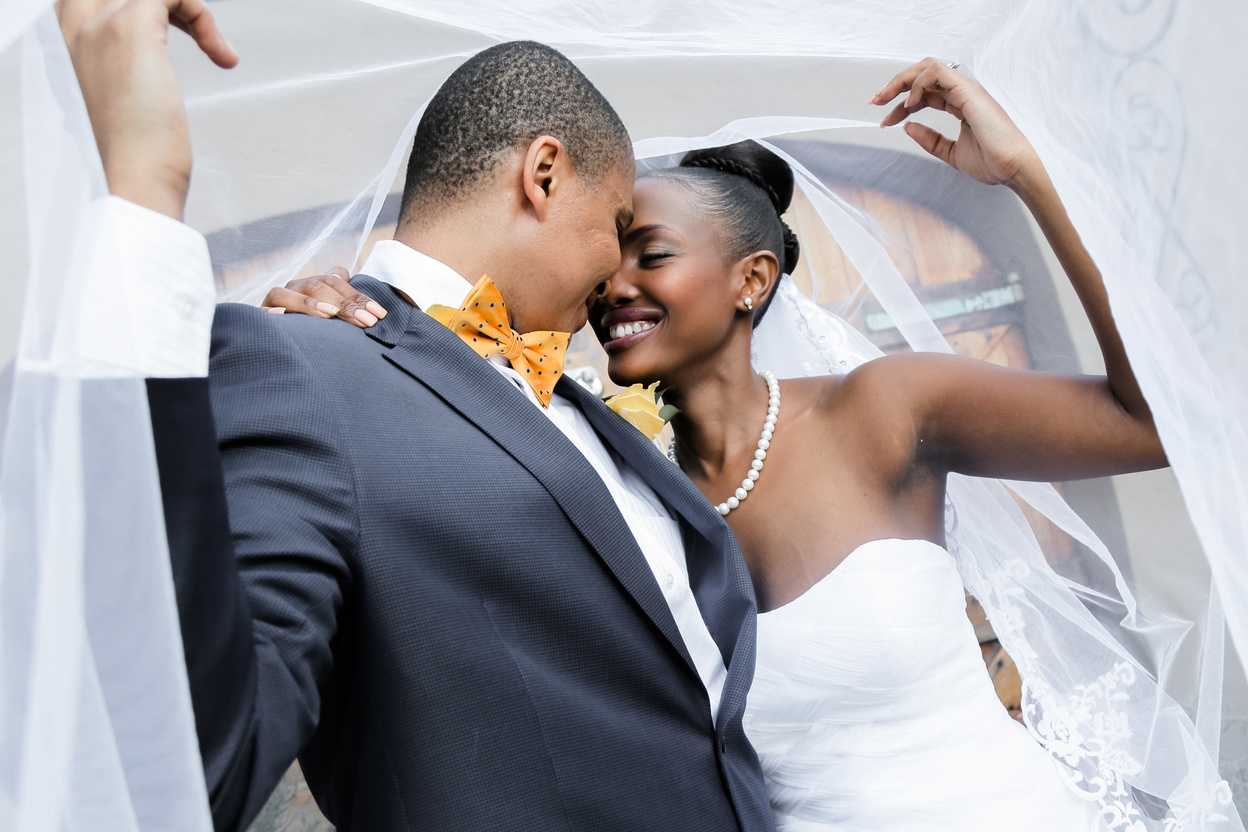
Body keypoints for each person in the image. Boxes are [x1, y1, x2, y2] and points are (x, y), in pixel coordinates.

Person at [285, 61, 1165, 829]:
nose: (612, 284)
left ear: (752, 279)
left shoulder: (886, 409)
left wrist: (1027, 176)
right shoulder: (611, 483)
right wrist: (344, 324)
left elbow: (1147, 422)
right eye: (610, 256)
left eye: (652, 254)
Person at [56, 1, 775, 830]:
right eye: (617, 226)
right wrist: (143, 195)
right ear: (543, 174)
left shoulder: (578, 402)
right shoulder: (300, 368)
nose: (616, 275)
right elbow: (192, 763)